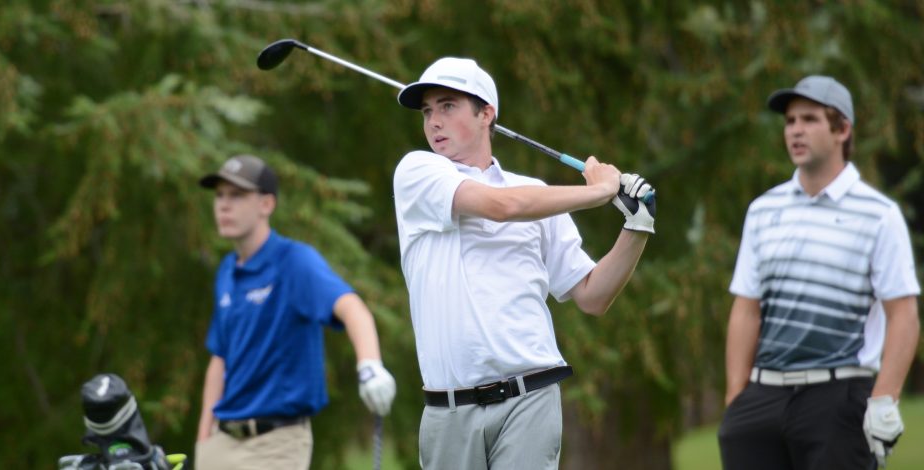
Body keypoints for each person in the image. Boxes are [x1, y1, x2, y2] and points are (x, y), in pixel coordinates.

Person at [392, 57, 656, 469]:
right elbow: (502, 206)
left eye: (447, 106)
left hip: (530, 398)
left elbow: (592, 295)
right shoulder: (417, 172)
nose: (433, 122)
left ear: (487, 114)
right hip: (448, 412)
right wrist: (599, 191)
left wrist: (637, 225)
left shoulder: (534, 193)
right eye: (428, 112)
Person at [718, 75, 921, 469]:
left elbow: (904, 314)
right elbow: (746, 308)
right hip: (763, 398)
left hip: (840, 398)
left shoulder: (879, 215)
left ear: (842, 129)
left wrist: (885, 399)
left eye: (809, 119)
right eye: (790, 121)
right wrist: (735, 399)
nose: (795, 130)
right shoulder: (763, 210)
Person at [193, 155, 396, 470]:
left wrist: (369, 364)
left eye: (237, 195)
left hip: (275, 446)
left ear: (266, 204)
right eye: (219, 195)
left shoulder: (294, 262)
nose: (223, 205)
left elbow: (352, 309)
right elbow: (220, 358)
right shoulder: (227, 270)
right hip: (221, 442)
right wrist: (203, 439)